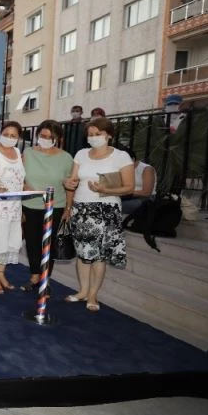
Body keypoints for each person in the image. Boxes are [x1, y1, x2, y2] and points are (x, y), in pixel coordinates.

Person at [63, 117, 134, 312]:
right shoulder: (81, 154)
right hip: (81, 209)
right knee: (83, 253)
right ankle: (82, 291)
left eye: (98, 134)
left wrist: (105, 189)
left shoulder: (121, 156)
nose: (93, 137)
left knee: (98, 256)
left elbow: (129, 187)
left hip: (106, 210)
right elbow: (73, 181)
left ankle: (93, 295)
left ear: (109, 135)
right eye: (90, 134)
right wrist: (68, 191)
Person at [21, 120, 74, 293]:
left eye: (51, 137)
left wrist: (68, 208)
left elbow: (70, 185)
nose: (46, 139)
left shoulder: (66, 158)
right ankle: (34, 276)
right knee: (32, 243)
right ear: (37, 135)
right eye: (43, 135)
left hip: (55, 206)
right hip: (30, 204)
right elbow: (19, 175)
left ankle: (45, 280)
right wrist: (23, 186)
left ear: (58, 138)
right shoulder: (28, 153)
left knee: (48, 245)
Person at [0, 121, 25, 294]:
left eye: (13, 135)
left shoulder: (18, 152)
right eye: (6, 134)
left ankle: (1, 274)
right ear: (0, 133)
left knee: (8, 241)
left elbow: (21, 179)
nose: (9, 138)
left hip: (15, 205)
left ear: (18, 138)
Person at [121, 147, 157, 215]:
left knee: (115, 206)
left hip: (145, 199)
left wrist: (125, 192)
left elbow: (147, 192)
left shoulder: (147, 169)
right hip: (127, 197)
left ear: (133, 159)